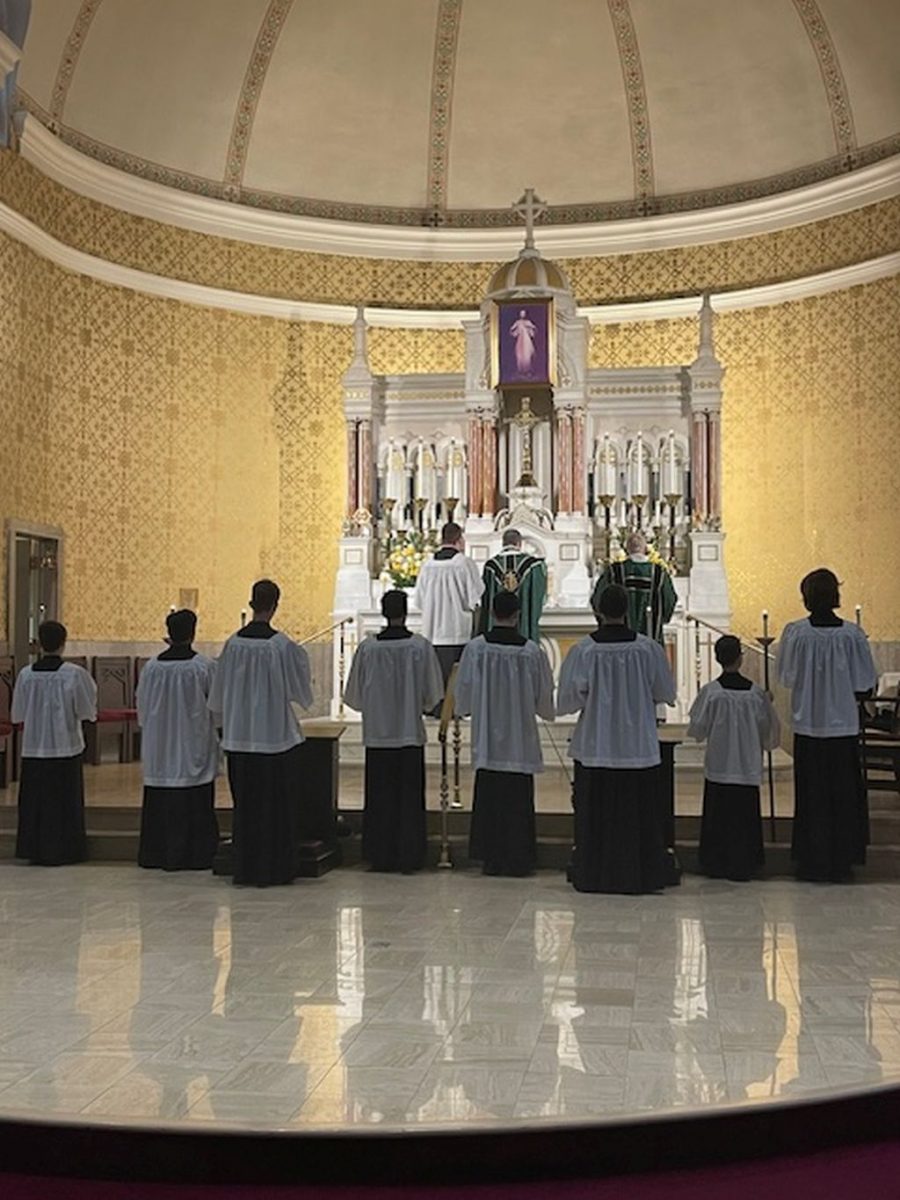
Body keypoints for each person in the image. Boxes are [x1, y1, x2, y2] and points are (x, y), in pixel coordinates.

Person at [557, 583, 676, 894]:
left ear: (598, 610)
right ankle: (639, 875)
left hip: (597, 744)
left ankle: (595, 874)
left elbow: (568, 700)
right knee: (636, 815)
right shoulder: (648, 649)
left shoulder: (583, 650)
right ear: (627, 610)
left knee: (597, 816)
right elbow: (665, 692)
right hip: (636, 745)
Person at [208, 579, 313, 887]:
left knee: (246, 806)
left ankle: (247, 867)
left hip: (239, 737)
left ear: (252, 602)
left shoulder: (232, 644)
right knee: (275, 806)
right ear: (275, 605)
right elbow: (300, 691)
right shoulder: (282, 646)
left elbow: (218, 695)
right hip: (274, 739)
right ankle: (275, 868)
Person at [776, 568, 876, 883]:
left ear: (806, 597)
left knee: (812, 796)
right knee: (843, 796)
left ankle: (812, 861)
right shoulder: (852, 635)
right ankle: (841, 862)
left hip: (809, 725)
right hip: (842, 726)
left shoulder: (796, 634)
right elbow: (864, 682)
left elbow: (786, 676)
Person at [343, 590, 444, 873]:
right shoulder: (420, 647)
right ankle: (409, 855)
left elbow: (354, 697)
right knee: (408, 797)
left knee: (380, 796)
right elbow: (433, 695)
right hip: (409, 733)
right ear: (406, 612)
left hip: (378, 735)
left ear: (383, 612)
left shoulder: (368, 649)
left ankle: (380, 854)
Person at [455, 591, 555, 876]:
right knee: (517, 799)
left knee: (491, 794)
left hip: (488, 737)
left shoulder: (476, 649)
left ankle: (491, 856)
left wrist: (467, 708)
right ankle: (519, 856)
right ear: (518, 615)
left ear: (491, 613)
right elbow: (544, 700)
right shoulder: (531, 651)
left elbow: (464, 695)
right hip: (519, 740)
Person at [687, 634, 780, 881]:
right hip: (746, 765)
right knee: (744, 814)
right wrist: (768, 704)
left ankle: (715, 862)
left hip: (720, 764)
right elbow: (768, 731)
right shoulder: (756, 694)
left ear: (718, 658)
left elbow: (697, 729)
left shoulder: (710, 693)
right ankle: (745, 862)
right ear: (740, 658)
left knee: (719, 814)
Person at [135, 609, 220, 871]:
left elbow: (142, 707)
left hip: (159, 744)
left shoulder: (151, 668)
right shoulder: (203, 667)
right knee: (193, 793)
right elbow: (217, 709)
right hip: (191, 742)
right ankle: (196, 855)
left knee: (162, 795)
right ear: (192, 633)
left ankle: (157, 853)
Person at [11, 620, 96, 865]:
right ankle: (65, 850)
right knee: (63, 801)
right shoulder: (75, 674)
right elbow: (87, 711)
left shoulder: (26, 675)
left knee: (36, 802)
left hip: (34, 747)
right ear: (63, 643)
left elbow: (18, 714)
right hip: (65, 746)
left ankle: (34, 848)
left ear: (40, 644)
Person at [413, 521, 483, 706]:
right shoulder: (464, 563)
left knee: (435, 676)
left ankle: (436, 708)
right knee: (456, 677)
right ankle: (456, 709)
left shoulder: (427, 565)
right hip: (457, 630)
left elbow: (419, 600)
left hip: (432, 631)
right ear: (459, 540)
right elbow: (475, 598)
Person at [590, 531, 677, 644]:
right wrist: (660, 619)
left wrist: (605, 620)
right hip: (650, 639)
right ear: (646, 548)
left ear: (627, 548)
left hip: (618, 641)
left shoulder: (614, 571)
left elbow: (598, 599)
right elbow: (670, 600)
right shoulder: (659, 573)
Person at [478, 528, 547, 643]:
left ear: (503, 543)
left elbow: (485, 600)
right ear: (519, 544)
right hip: (524, 632)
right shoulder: (534, 566)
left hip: (496, 634)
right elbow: (539, 597)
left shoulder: (491, 566)